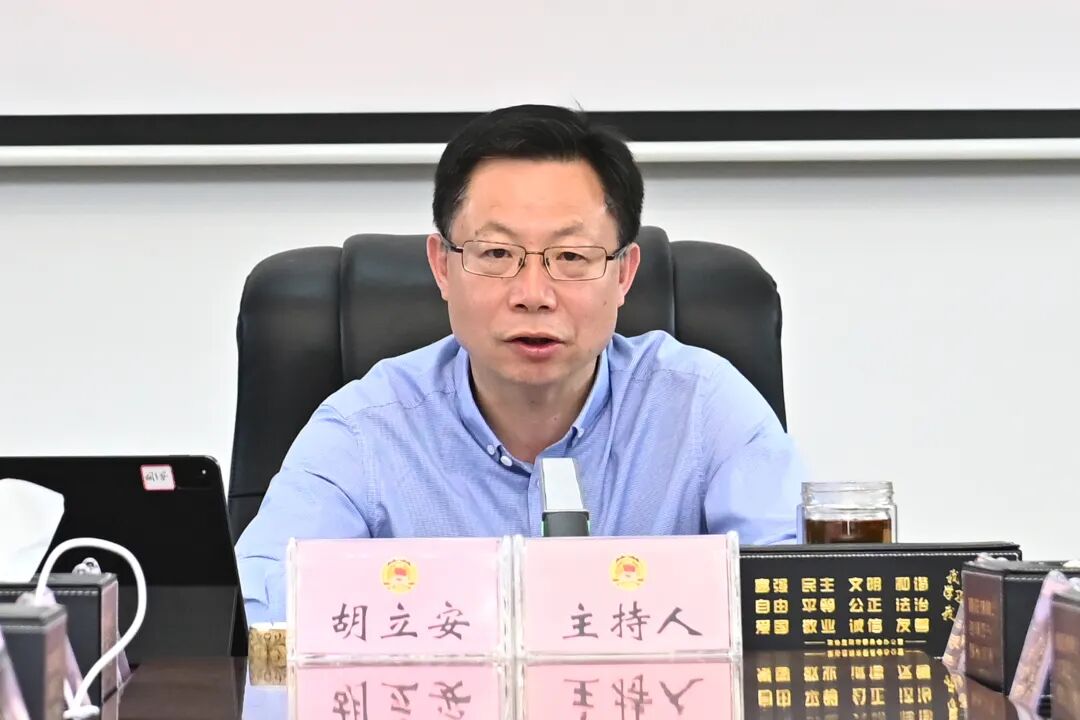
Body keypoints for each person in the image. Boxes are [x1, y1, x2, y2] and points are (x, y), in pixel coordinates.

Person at [235, 104, 804, 622]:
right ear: (442, 267)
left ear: (625, 274)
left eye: (572, 256)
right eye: (497, 253)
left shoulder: (705, 408)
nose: (533, 294)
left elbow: (796, 608)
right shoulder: (364, 430)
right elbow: (259, 616)